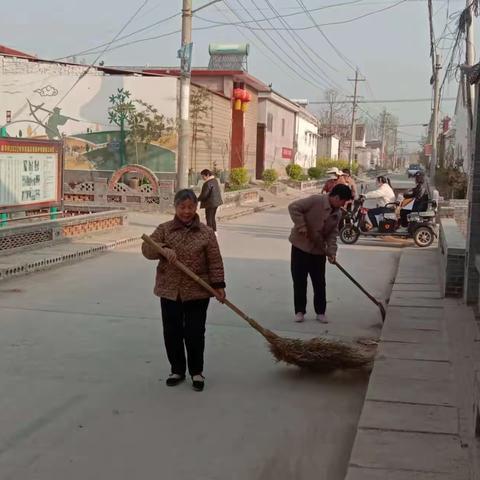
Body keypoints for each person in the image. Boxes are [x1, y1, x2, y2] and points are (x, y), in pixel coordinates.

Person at [142, 189, 226, 392]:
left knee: (195, 333)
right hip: (169, 291)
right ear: (176, 207)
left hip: (198, 291)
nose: (186, 211)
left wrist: (219, 286)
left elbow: (215, 260)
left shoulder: (205, 233)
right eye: (182, 207)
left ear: (196, 207)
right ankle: (177, 369)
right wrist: (162, 248)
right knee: (172, 332)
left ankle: (196, 372)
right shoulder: (164, 229)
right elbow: (147, 250)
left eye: (190, 207)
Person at [288, 184, 353, 324]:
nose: (343, 204)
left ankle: (320, 312)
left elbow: (332, 235)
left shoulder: (337, 213)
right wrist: (301, 226)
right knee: (299, 280)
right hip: (300, 246)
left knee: (319, 282)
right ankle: (299, 311)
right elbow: (293, 207)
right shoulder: (315, 200)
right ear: (336, 197)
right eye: (343, 201)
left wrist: (331, 252)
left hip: (318, 250)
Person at [198, 169, 223, 235]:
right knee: (212, 217)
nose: (202, 178)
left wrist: (197, 199)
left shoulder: (207, 183)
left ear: (207, 175)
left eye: (203, 176)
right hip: (216, 202)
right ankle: (215, 232)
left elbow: (204, 195)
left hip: (210, 203)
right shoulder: (215, 180)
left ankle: (210, 234)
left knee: (209, 218)